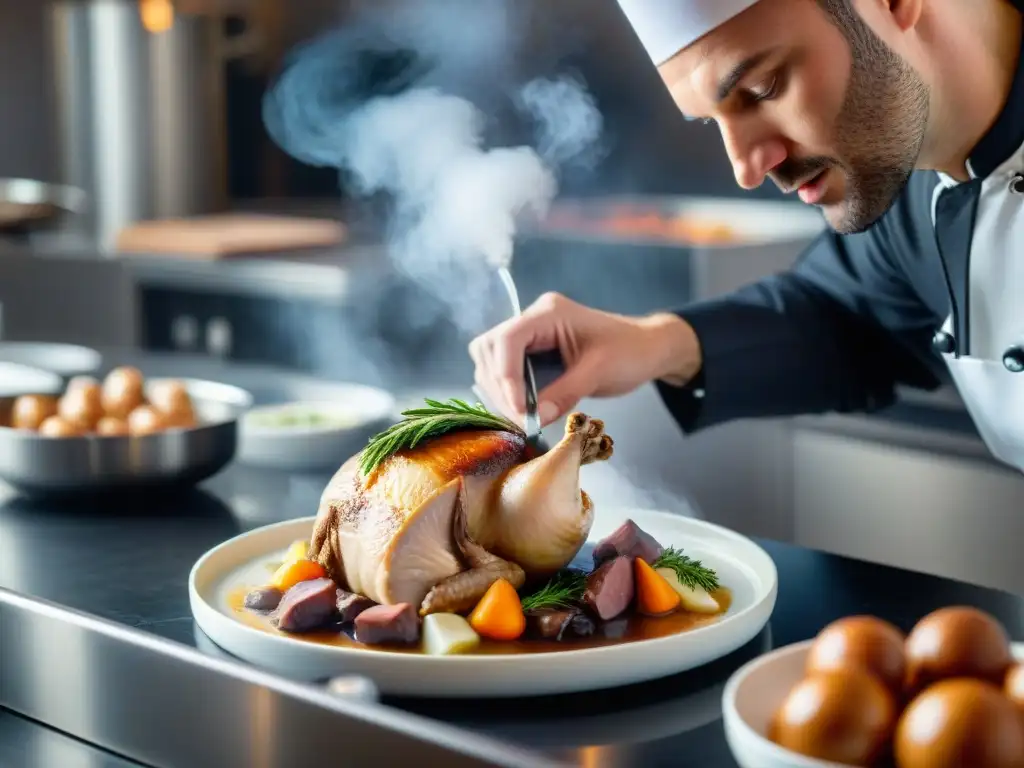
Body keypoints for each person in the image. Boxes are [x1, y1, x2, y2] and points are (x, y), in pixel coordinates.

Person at [469, 0, 1024, 472]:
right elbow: (847, 314)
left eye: (763, 87)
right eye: (713, 122)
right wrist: (651, 344)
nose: (749, 168)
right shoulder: (912, 182)